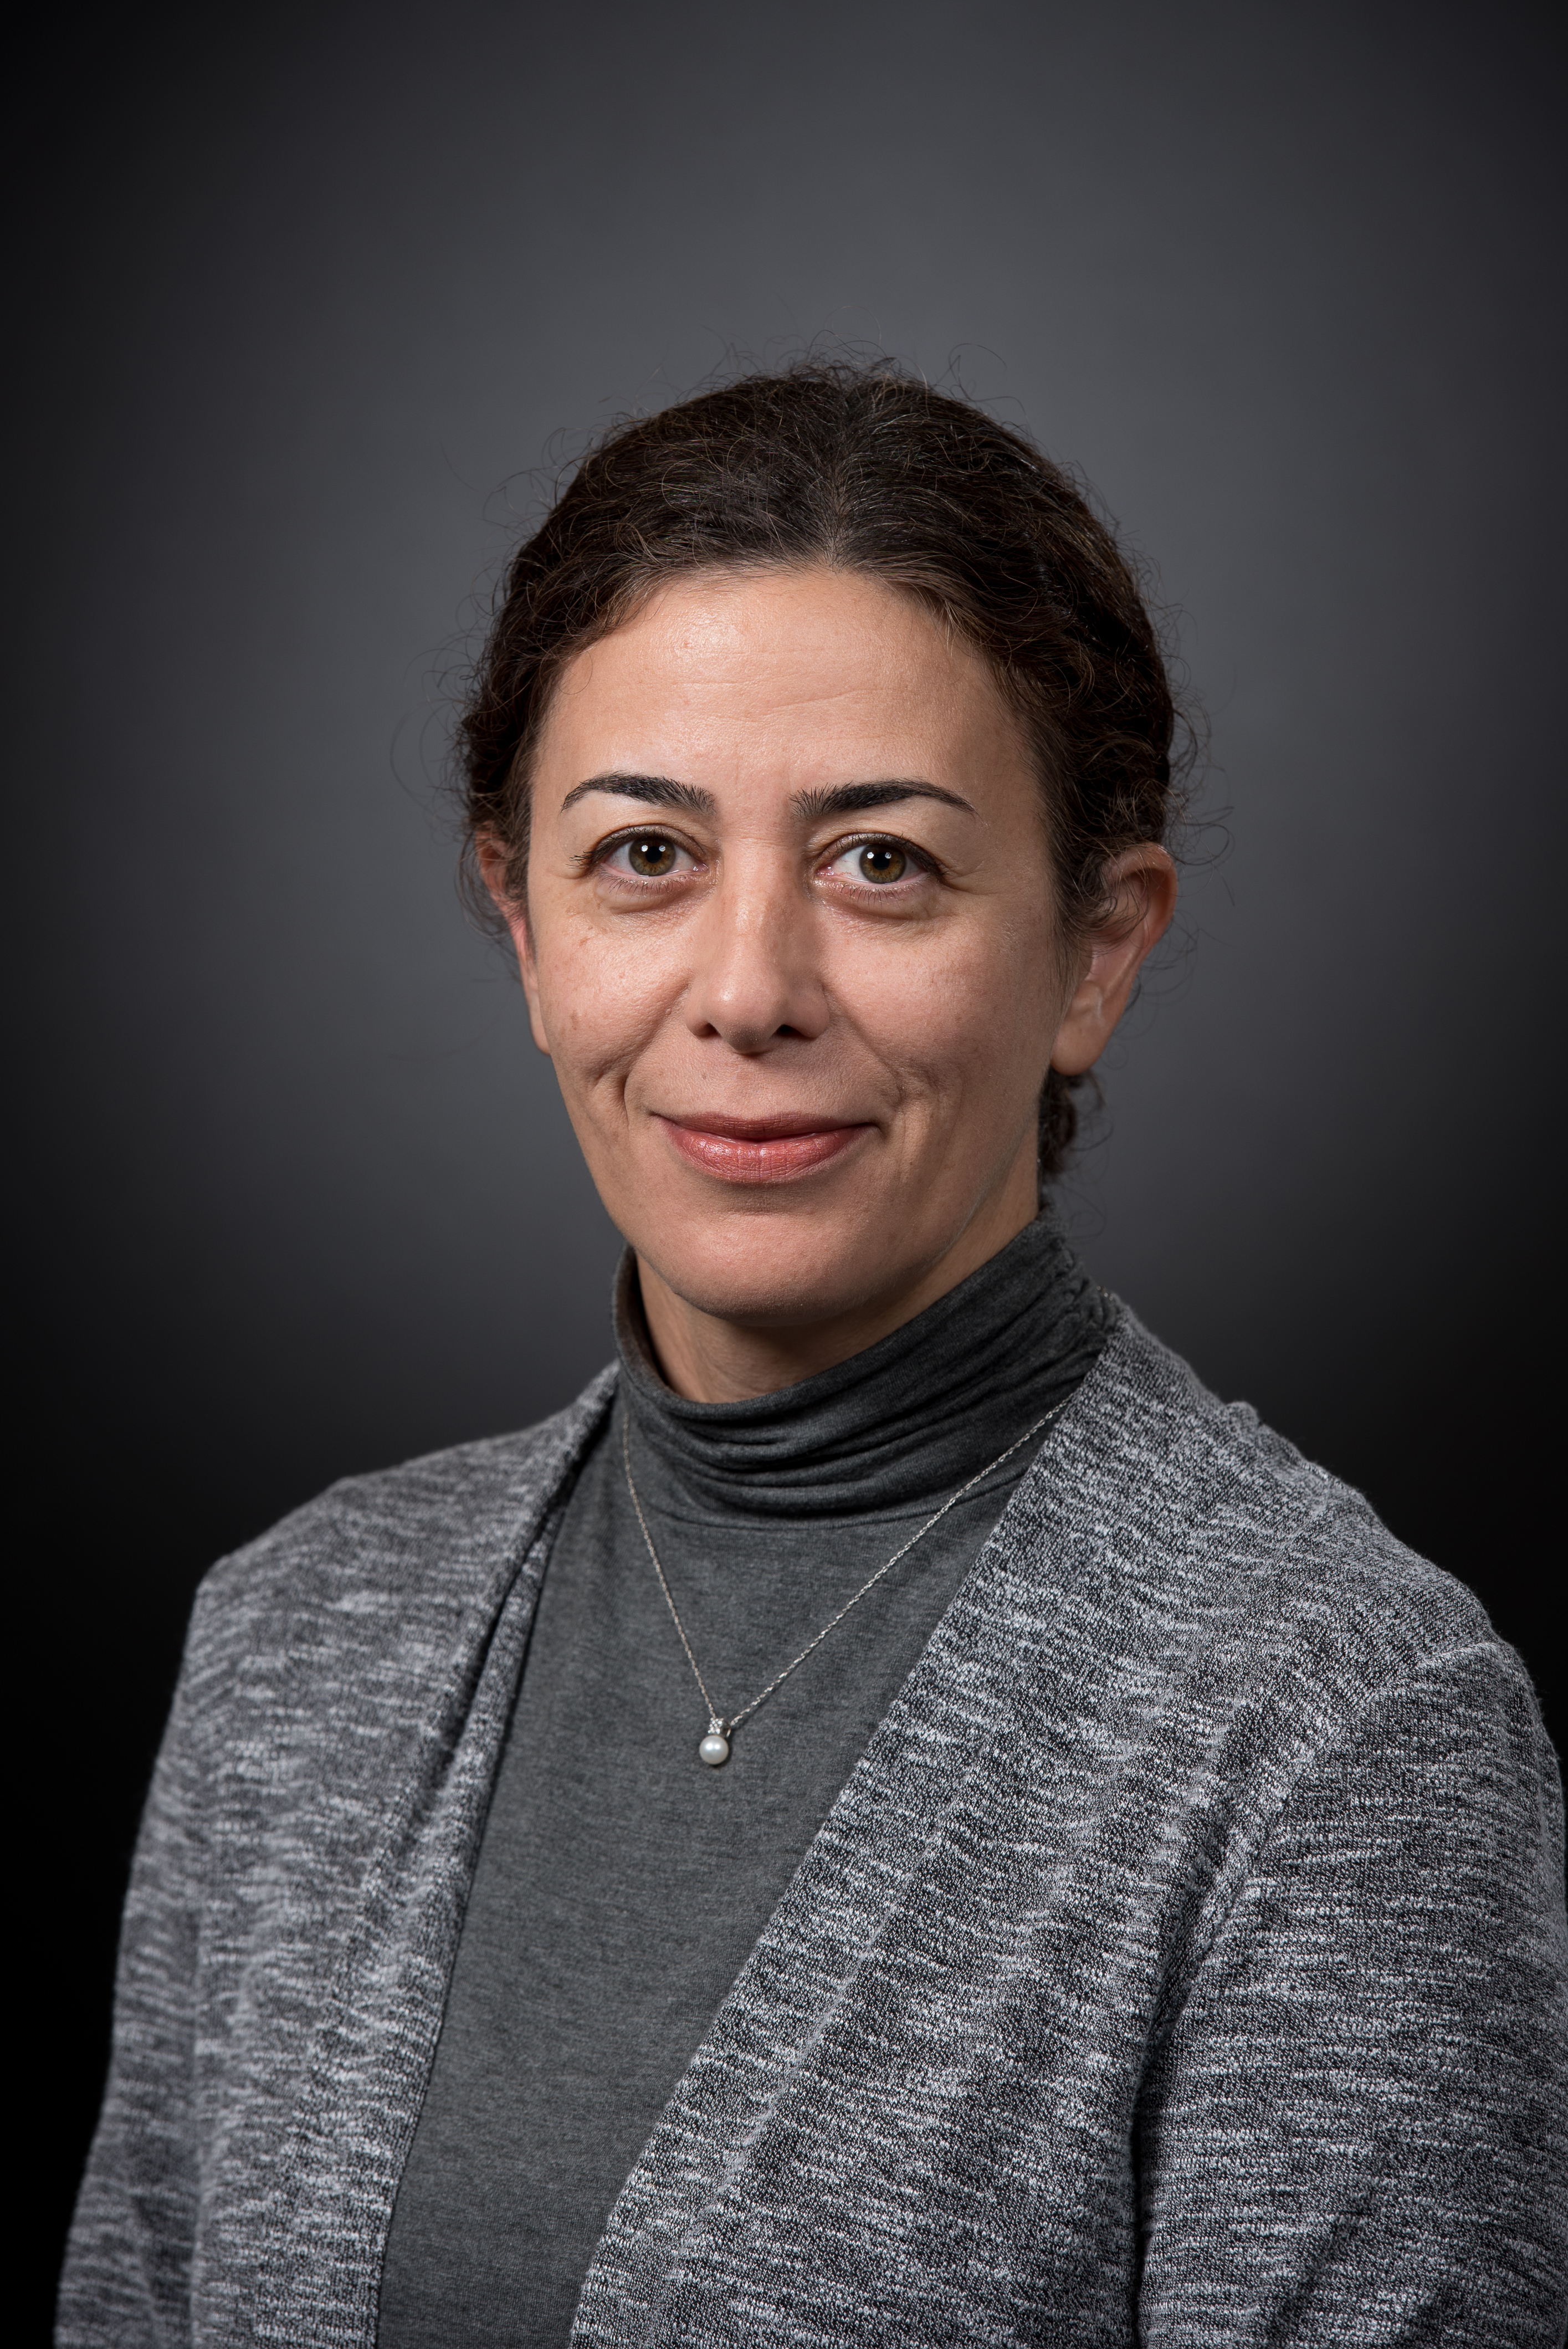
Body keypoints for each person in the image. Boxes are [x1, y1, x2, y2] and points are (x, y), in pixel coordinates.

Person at [59, 363, 1567, 2347]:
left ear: (1096, 950)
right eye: (644, 857)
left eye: (881, 863)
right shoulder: (294, 1648)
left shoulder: (1338, 1726)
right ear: (522, 928)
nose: (749, 989)